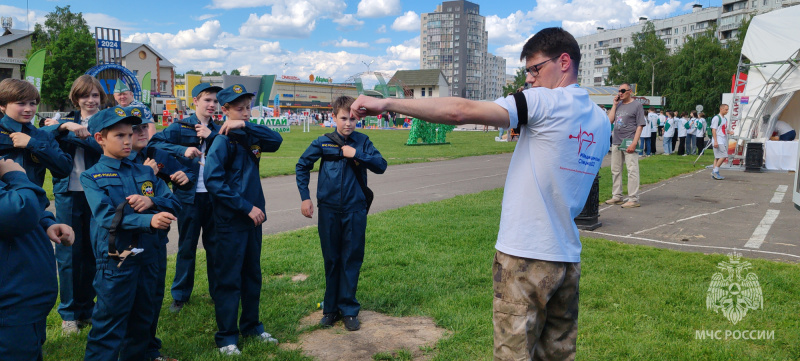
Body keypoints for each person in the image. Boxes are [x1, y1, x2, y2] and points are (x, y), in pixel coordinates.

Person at [351, 27, 610, 360]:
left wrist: (387, 102)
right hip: (567, 258)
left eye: (535, 69)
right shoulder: (601, 121)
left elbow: (460, 111)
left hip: (525, 256)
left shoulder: (545, 101)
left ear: (563, 62)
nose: (529, 79)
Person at [80, 106, 181, 361]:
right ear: (100, 138)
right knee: (109, 323)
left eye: (130, 134)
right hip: (117, 259)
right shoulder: (92, 176)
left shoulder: (145, 171)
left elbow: (174, 202)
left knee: (142, 321)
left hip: (149, 257)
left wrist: (152, 202)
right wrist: (148, 220)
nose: (128, 141)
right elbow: (105, 216)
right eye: (119, 136)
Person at [203, 84, 283, 355]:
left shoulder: (248, 135)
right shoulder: (221, 141)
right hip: (231, 221)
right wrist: (245, 207)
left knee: (252, 276)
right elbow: (213, 181)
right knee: (229, 280)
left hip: (252, 220)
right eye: (239, 109)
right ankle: (226, 337)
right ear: (224, 110)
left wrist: (245, 127)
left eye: (248, 107)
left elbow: (276, 141)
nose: (246, 112)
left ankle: (252, 326)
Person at [296, 96, 387, 332]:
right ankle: (330, 310)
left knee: (351, 259)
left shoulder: (363, 142)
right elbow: (302, 165)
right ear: (334, 117)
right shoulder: (323, 142)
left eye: (353, 119)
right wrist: (305, 197)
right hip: (328, 210)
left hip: (355, 209)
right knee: (332, 259)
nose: (348, 123)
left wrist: (355, 154)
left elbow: (381, 165)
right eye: (344, 118)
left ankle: (348, 310)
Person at [41, 74, 107, 334]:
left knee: (92, 251)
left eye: (94, 95)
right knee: (68, 254)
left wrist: (75, 136)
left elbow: (102, 148)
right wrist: (65, 127)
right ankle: (69, 314)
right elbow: (40, 136)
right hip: (68, 192)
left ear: (101, 98)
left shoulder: (107, 119)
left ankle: (86, 307)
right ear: (75, 97)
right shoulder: (64, 120)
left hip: (96, 191)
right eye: (84, 95)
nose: (90, 100)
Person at [149, 83, 223, 313]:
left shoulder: (219, 130)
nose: (212, 105)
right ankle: (180, 295)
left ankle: (218, 292)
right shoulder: (180, 127)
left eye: (215, 101)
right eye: (207, 100)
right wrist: (183, 151)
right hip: (188, 197)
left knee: (215, 247)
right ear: (195, 102)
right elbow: (154, 144)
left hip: (214, 196)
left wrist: (212, 137)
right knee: (187, 246)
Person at [127, 105, 192, 361]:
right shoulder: (116, 162)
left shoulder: (154, 153)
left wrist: (183, 175)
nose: (142, 132)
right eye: (135, 129)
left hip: (155, 239)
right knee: (130, 299)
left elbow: (178, 187)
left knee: (153, 295)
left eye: (145, 126)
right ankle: (132, 350)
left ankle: (150, 349)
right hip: (128, 241)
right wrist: (148, 175)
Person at [0, 158, 74, 361]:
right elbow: (18, 211)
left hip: (23, 306)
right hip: (9, 313)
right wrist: (16, 175)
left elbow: (21, 203)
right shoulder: (9, 171)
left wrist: (46, 222)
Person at [0, 78, 73, 186]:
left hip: (33, 201)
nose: (28, 109)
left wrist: (34, 145)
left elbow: (64, 169)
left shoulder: (42, 136)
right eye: (21, 103)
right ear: (2, 105)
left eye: (32, 103)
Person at [607, 83, 645, 208]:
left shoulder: (637, 105)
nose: (620, 93)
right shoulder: (618, 105)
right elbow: (610, 121)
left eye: (622, 90)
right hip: (617, 141)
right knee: (615, 170)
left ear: (630, 91)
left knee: (632, 170)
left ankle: (633, 198)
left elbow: (640, 125)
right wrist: (614, 104)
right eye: (619, 91)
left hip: (629, 141)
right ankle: (617, 196)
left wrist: (634, 142)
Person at [711, 104, 732, 180]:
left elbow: (724, 129)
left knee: (717, 157)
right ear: (721, 109)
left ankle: (715, 172)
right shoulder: (716, 118)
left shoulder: (725, 119)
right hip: (718, 140)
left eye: (727, 109)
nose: (727, 111)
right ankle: (715, 171)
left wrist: (729, 132)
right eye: (726, 109)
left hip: (722, 139)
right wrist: (715, 141)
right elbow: (714, 129)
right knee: (724, 155)